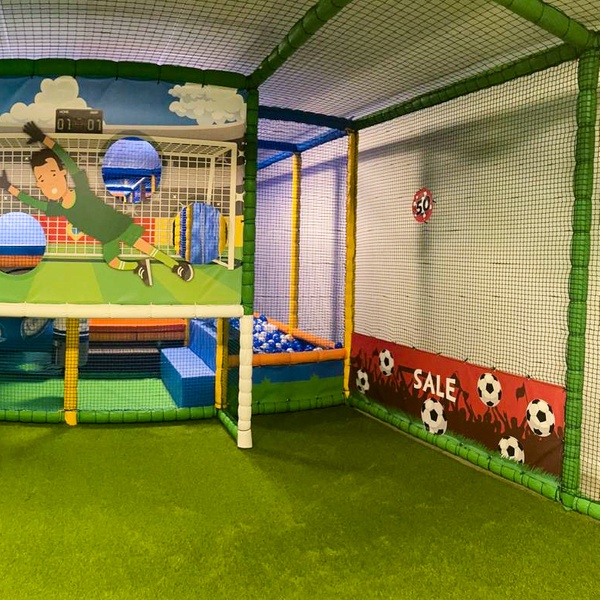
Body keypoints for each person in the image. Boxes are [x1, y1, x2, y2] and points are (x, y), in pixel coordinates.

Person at [0, 122, 193, 287]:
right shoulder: (57, 208)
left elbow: (66, 158)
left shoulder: (81, 187)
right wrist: (9, 187)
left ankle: (176, 266)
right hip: (106, 238)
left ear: (63, 172)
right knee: (112, 261)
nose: (50, 182)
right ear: (38, 185)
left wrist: (43, 138)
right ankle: (138, 267)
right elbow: (32, 202)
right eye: (43, 179)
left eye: (53, 174)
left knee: (144, 247)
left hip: (117, 225)